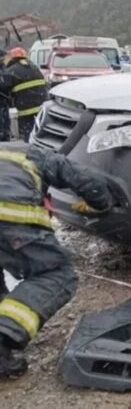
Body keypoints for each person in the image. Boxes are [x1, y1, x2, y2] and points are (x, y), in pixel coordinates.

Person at [0, 141, 113, 380]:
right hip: (10, 215)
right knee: (58, 275)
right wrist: (100, 205)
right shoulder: (35, 154)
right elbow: (88, 180)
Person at [0, 48, 48, 142]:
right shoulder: (33, 67)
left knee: (27, 131)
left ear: (12, 58)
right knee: (39, 129)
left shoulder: (11, 70)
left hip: (26, 108)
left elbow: (3, 87)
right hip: (41, 105)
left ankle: (28, 143)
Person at [0, 48, 10, 142]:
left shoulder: (4, 67)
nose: (3, 59)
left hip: (4, 96)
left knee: (4, 113)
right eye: (2, 57)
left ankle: (5, 133)